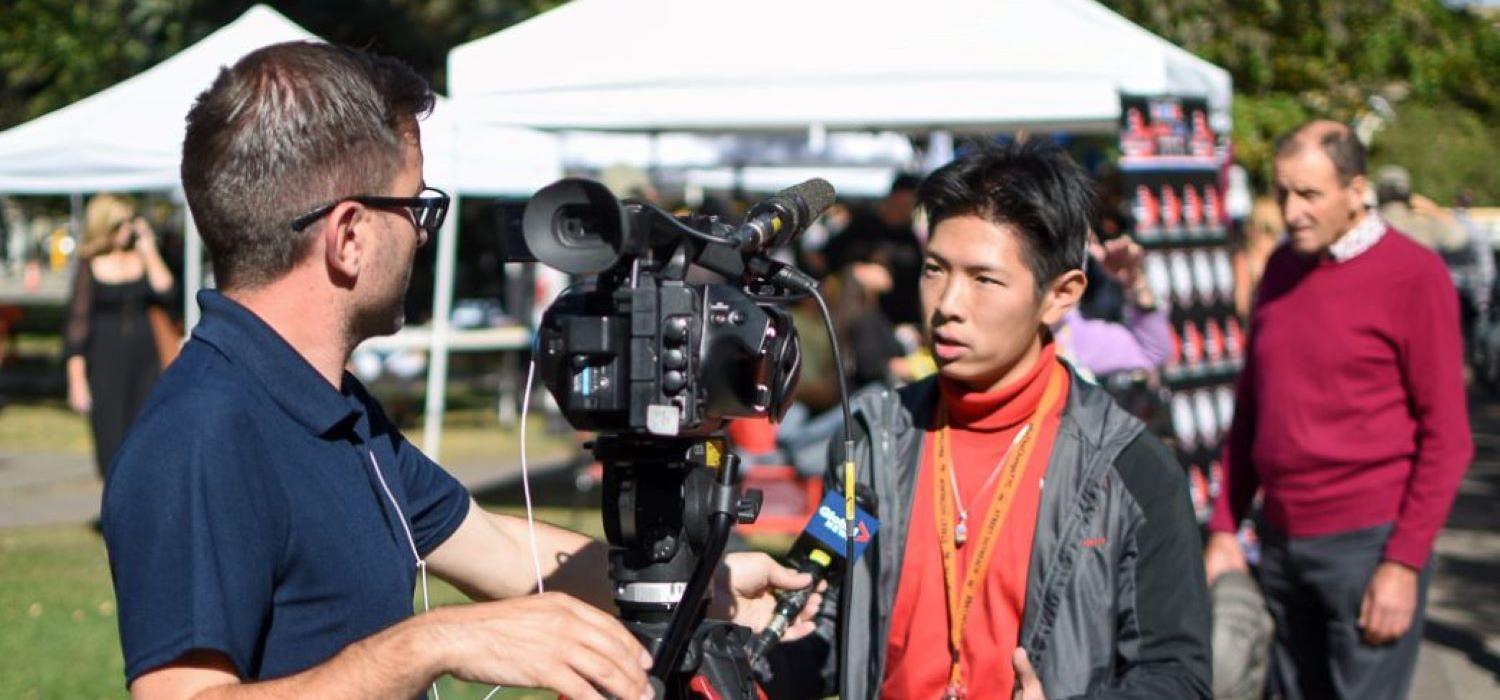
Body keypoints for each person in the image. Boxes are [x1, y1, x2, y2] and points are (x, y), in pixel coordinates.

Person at [101, 42, 813, 700]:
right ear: (349, 236)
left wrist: (699, 583)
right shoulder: (204, 430)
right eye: (417, 208)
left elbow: (499, 548)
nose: (421, 234)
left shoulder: (331, 406)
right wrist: (432, 641)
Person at [761, 141, 1211, 699]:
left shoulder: (1131, 470)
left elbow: (1176, 678)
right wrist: (753, 654)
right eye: (935, 270)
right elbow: (827, 621)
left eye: (984, 279)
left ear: (1060, 295)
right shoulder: (872, 447)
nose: (948, 303)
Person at [1203, 121, 1473, 700]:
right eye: (1283, 193)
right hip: (1281, 542)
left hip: (1367, 545)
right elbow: (1252, 408)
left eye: (1310, 194)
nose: (1292, 210)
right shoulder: (1280, 267)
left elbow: (1447, 437)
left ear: (1357, 191)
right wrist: (1225, 525)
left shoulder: (1414, 276)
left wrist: (1402, 564)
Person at [65, 193, 175, 479]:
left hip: (146, 359)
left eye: (131, 221)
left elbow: (167, 291)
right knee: (110, 439)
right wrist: (76, 380)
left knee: (146, 435)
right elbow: (77, 327)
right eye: (121, 224)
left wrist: (149, 250)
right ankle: (116, 511)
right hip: (105, 361)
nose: (128, 229)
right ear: (105, 226)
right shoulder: (90, 263)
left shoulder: (142, 256)